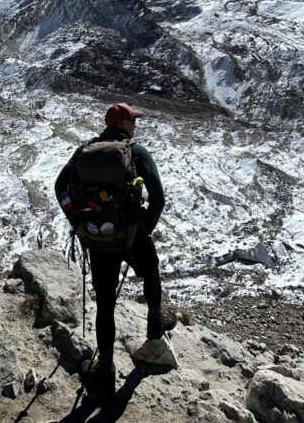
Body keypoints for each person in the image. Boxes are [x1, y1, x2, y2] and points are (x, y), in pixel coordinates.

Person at [54, 102, 177, 393]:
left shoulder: (84, 151)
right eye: (132, 121)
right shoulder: (136, 152)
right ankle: (154, 322)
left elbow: (60, 186)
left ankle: (105, 368)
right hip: (131, 236)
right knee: (150, 270)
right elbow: (158, 197)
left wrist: (77, 221)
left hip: (98, 239)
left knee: (105, 304)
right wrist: (141, 229)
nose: (135, 125)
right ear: (122, 124)